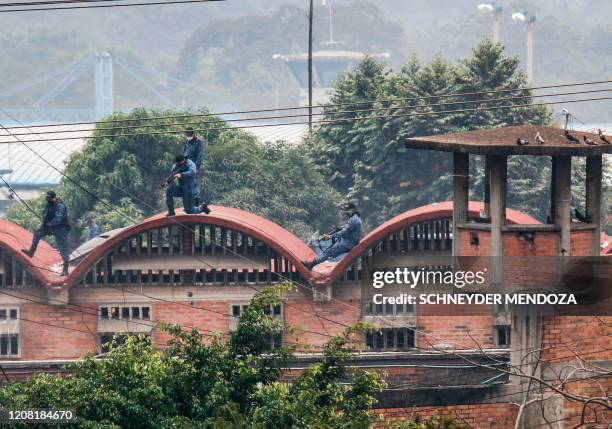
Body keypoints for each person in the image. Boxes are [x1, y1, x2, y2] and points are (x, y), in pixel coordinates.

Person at [22, 191, 71, 276]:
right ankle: (31, 251)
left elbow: (58, 218)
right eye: (47, 199)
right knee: (37, 233)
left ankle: (65, 269)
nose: (48, 200)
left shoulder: (60, 206)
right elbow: (45, 213)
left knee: (62, 248)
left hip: (61, 228)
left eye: (50, 199)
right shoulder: (48, 203)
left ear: (54, 197)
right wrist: (44, 223)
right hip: (49, 226)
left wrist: (50, 224)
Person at [303, 203, 363, 270]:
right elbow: (346, 228)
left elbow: (344, 232)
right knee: (328, 251)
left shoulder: (354, 220)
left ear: (353, 209)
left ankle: (311, 265)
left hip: (348, 244)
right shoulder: (355, 218)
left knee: (328, 252)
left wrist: (330, 236)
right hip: (349, 242)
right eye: (346, 210)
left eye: (348, 210)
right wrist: (339, 228)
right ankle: (311, 263)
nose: (346, 211)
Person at [183, 127, 204, 206]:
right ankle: (189, 204)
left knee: (194, 184)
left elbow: (200, 155)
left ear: (193, 134)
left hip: (193, 166)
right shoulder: (187, 142)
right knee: (187, 185)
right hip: (186, 166)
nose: (188, 136)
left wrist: (197, 167)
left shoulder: (198, 142)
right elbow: (184, 153)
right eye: (186, 134)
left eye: (189, 134)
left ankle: (196, 204)